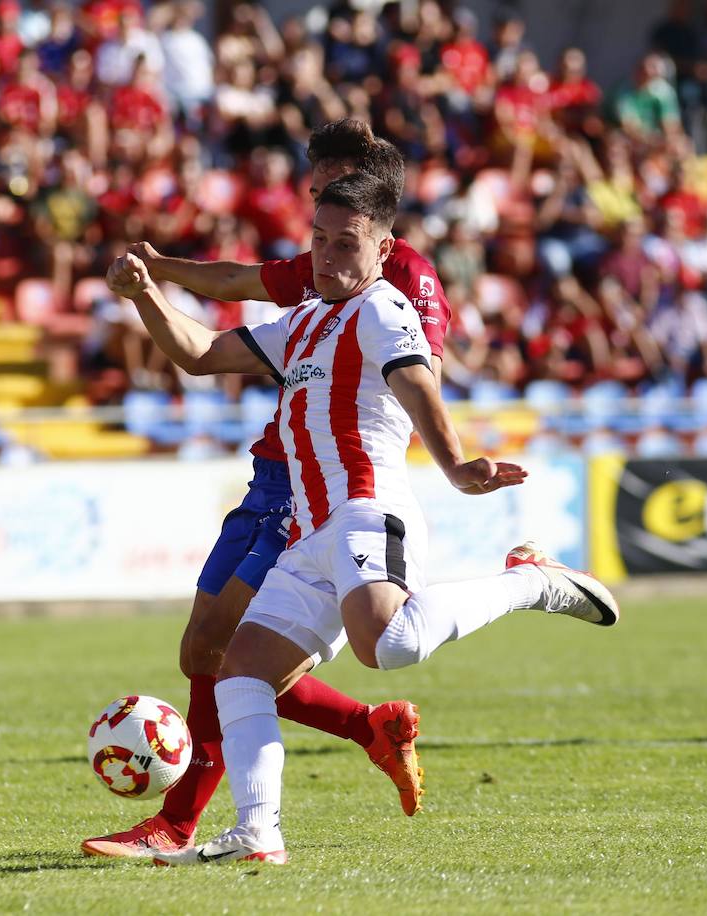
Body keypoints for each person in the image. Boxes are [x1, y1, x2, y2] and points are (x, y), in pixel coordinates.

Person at [106, 172, 618, 865]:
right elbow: (199, 355)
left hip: (366, 512)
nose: (325, 256)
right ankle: (259, 832)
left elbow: (417, 383)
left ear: (383, 247)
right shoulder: (305, 320)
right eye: (318, 239)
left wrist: (458, 466)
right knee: (240, 672)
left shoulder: (381, 307)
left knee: (389, 646)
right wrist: (145, 296)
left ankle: (529, 582)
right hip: (310, 534)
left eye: (345, 242)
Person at [82, 119, 450, 858]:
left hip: (322, 489)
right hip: (269, 474)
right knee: (203, 652)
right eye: (313, 198)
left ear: (368, 190)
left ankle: (180, 822)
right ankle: (366, 727)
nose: (315, 210)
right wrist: (158, 274)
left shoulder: (396, 278)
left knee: (230, 654)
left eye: (328, 192)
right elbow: (234, 286)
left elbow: (417, 377)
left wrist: (443, 462)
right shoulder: (321, 272)